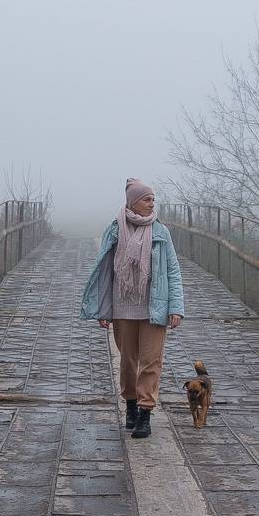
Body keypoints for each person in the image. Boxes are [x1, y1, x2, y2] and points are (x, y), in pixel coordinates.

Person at [80, 178, 185, 439]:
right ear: (133, 202)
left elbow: (173, 270)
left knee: (152, 361)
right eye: (147, 199)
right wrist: (103, 310)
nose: (152, 204)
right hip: (122, 306)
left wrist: (176, 307)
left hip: (154, 306)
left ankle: (145, 413)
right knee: (128, 361)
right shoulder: (115, 230)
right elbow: (105, 272)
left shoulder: (160, 232)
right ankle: (130, 405)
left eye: (153, 199)